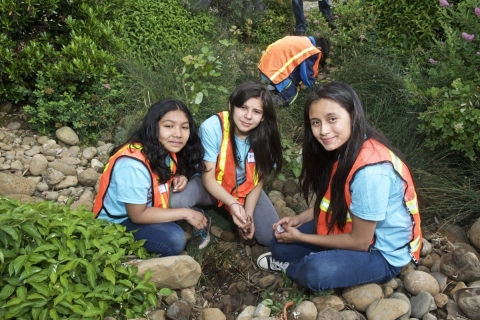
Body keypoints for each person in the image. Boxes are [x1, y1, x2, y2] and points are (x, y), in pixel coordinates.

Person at [256, 82, 422, 292]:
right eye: (316, 122)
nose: (323, 131)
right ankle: (309, 260)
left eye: (332, 119)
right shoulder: (347, 146)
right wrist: (300, 219)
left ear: (353, 115)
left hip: (380, 252)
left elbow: (360, 242)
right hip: (352, 226)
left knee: (314, 271)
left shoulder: (370, 172)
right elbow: (337, 199)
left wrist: (301, 237)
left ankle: (296, 270)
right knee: (279, 246)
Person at [94, 99, 212, 256]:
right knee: (175, 239)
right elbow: (137, 215)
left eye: (184, 127)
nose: (178, 134)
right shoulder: (132, 164)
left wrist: (180, 175)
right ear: (153, 127)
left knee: (178, 222)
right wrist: (185, 213)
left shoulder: (162, 149)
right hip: (119, 222)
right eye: (168, 126)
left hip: (149, 208)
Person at [199, 81, 283, 246]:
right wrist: (234, 204)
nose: (248, 116)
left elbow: (259, 179)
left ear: (263, 116)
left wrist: (247, 215)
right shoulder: (211, 128)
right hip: (210, 185)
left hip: (244, 188)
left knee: (268, 236)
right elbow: (207, 179)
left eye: (257, 111)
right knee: (181, 199)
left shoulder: (267, 137)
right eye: (243, 108)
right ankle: (197, 216)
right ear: (231, 105)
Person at [258, 35, 330, 106]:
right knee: (292, 91)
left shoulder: (302, 40)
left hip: (265, 66)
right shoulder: (311, 50)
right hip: (275, 73)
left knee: (294, 66)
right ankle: (275, 100)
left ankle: (270, 88)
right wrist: (312, 84)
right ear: (319, 49)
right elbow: (306, 75)